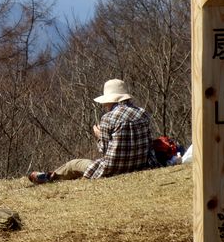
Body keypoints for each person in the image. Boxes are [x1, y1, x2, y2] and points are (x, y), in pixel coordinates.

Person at [28, 78, 157, 183]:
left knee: (74, 164)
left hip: (114, 168)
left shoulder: (108, 118)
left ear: (110, 100)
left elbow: (105, 150)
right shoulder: (143, 113)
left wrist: (99, 135)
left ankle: (49, 177)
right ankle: (50, 176)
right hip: (141, 164)